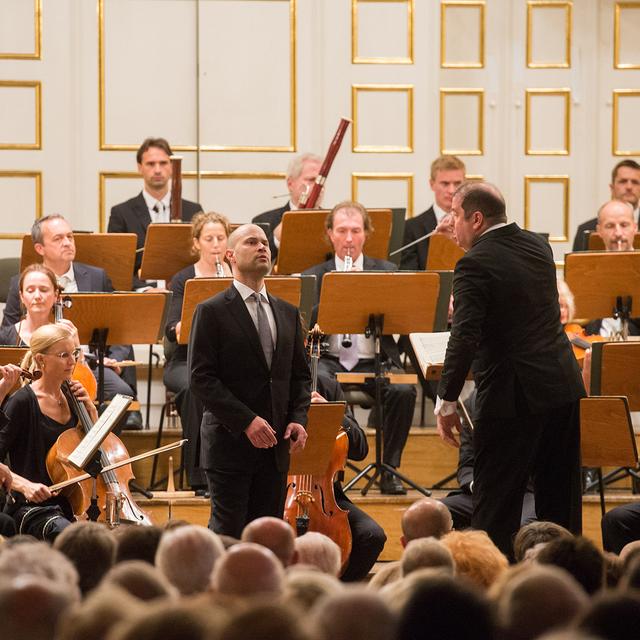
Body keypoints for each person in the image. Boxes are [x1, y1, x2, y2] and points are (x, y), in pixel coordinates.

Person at [435, 181, 585, 559]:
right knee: (560, 502)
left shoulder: (473, 263)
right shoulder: (538, 245)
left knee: (496, 505)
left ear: (477, 218)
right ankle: (568, 585)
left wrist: (447, 400)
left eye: (454, 215)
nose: (450, 223)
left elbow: (464, 337)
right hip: (562, 387)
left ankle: (490, 592)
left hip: (511, 396)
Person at [189, 223, 311, 538]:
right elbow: (201, 379)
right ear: (230, 254)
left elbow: (299, 376)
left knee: (267, 536)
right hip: (230, 444)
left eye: (266, 243)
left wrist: (298, 419)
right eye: (252, 241)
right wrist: (246, 421)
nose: (262, 247)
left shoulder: (287, 312)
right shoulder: (211, 311)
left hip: (275, 448)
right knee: (228, 535)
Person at [302, 201, 416, 495]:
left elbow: (401, 321)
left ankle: (390, 469)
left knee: (403, 390)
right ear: (330, 233)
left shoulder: (387, 271)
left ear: (366, 234)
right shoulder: (314, 275)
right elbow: (303, 325)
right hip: (330, 358)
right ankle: (332, 469)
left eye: (356, 230)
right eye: (342, 231)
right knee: (320, 383)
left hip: (373, 358)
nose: (349, 239)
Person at [0, 262, 139, 428]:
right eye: (30, 290)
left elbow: (83, 383)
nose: (37, 296)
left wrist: (76, 347)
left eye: (44, 290)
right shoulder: (5, 336)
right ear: (21, 296)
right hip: (17, 416)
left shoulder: (66, 334)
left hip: (59, 412)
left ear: (56, 295)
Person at [0, 323, 98, 541]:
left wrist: (90, 410)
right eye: (63, 355)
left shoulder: (72, 397)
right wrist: (24, 486)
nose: (72, 361)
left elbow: (92, 448)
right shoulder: (22, 402)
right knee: (73, 538)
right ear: (41, 360)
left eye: (73, 353)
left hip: (69, 505)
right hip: (31, 508)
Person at [164, 211, 232, 492]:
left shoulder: (238, 273)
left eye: (221, 238)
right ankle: (200, 476)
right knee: (196, 387)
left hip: (228, 359)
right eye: (209, 239)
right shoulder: (184, 279)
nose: (216, 244)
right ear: (197, 243)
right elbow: (172, 329)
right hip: (187, 360)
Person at [107, 137, 203, 289]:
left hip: (184, 291)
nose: (157, 170)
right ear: (140, 167)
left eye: (163, 163)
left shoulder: (193, 211)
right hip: (142, 298)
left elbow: (201, 258)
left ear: (172, 166)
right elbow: (116, 267)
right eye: (151, 164)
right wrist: (144, 290)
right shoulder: (121, 213)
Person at [252, 152, 322, 261]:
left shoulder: (332, 221)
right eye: (311, 180)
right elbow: (254, 262)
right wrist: (277, 239)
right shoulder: (263, 221)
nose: (319, 187)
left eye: (321, 181)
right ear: (290, 184)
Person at [584, 200, 639, 338]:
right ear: (599, 231)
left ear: (635, 228)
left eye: (624, 225)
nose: (618, 233)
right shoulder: (586, 273)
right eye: (610, 226)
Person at [399, 155, 465, 270]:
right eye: (445, 184)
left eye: (457, 183)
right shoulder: (411, 228)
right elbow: (409, 275)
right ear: (432, 184)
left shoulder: (476, 224)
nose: (452, 190)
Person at [572, 159, 640, 251]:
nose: (629, 187)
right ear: (612, 188)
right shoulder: (586, 229)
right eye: (623, 181)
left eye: (635, 182)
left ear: (635, 227)